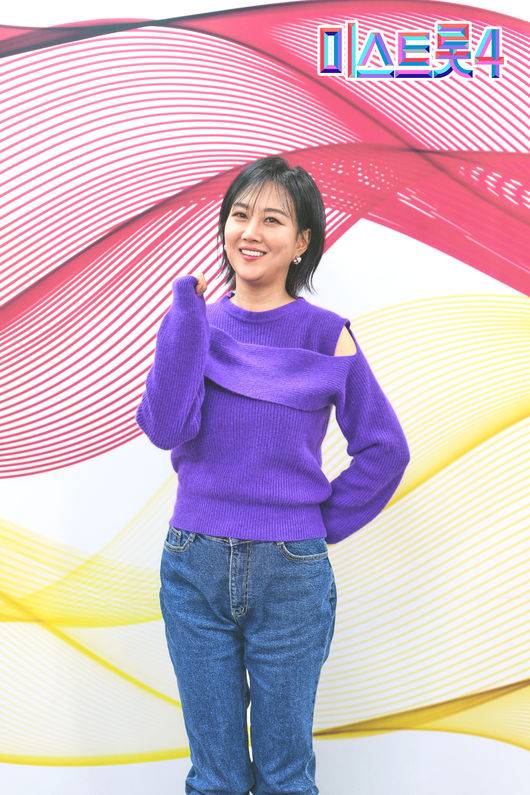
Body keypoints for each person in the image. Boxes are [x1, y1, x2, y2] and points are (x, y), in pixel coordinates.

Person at [135, 155, 410, 794]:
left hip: (291, 573)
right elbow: (166, 428)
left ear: (302, 240)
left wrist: (313, 525)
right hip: (194, 564)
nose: (250, 232)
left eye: (272, 219)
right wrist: (185, 323)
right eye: (240, 215)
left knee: (286, 777)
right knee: (216, 778)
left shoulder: (326, 334)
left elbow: (384, 449)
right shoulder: (196, 322)